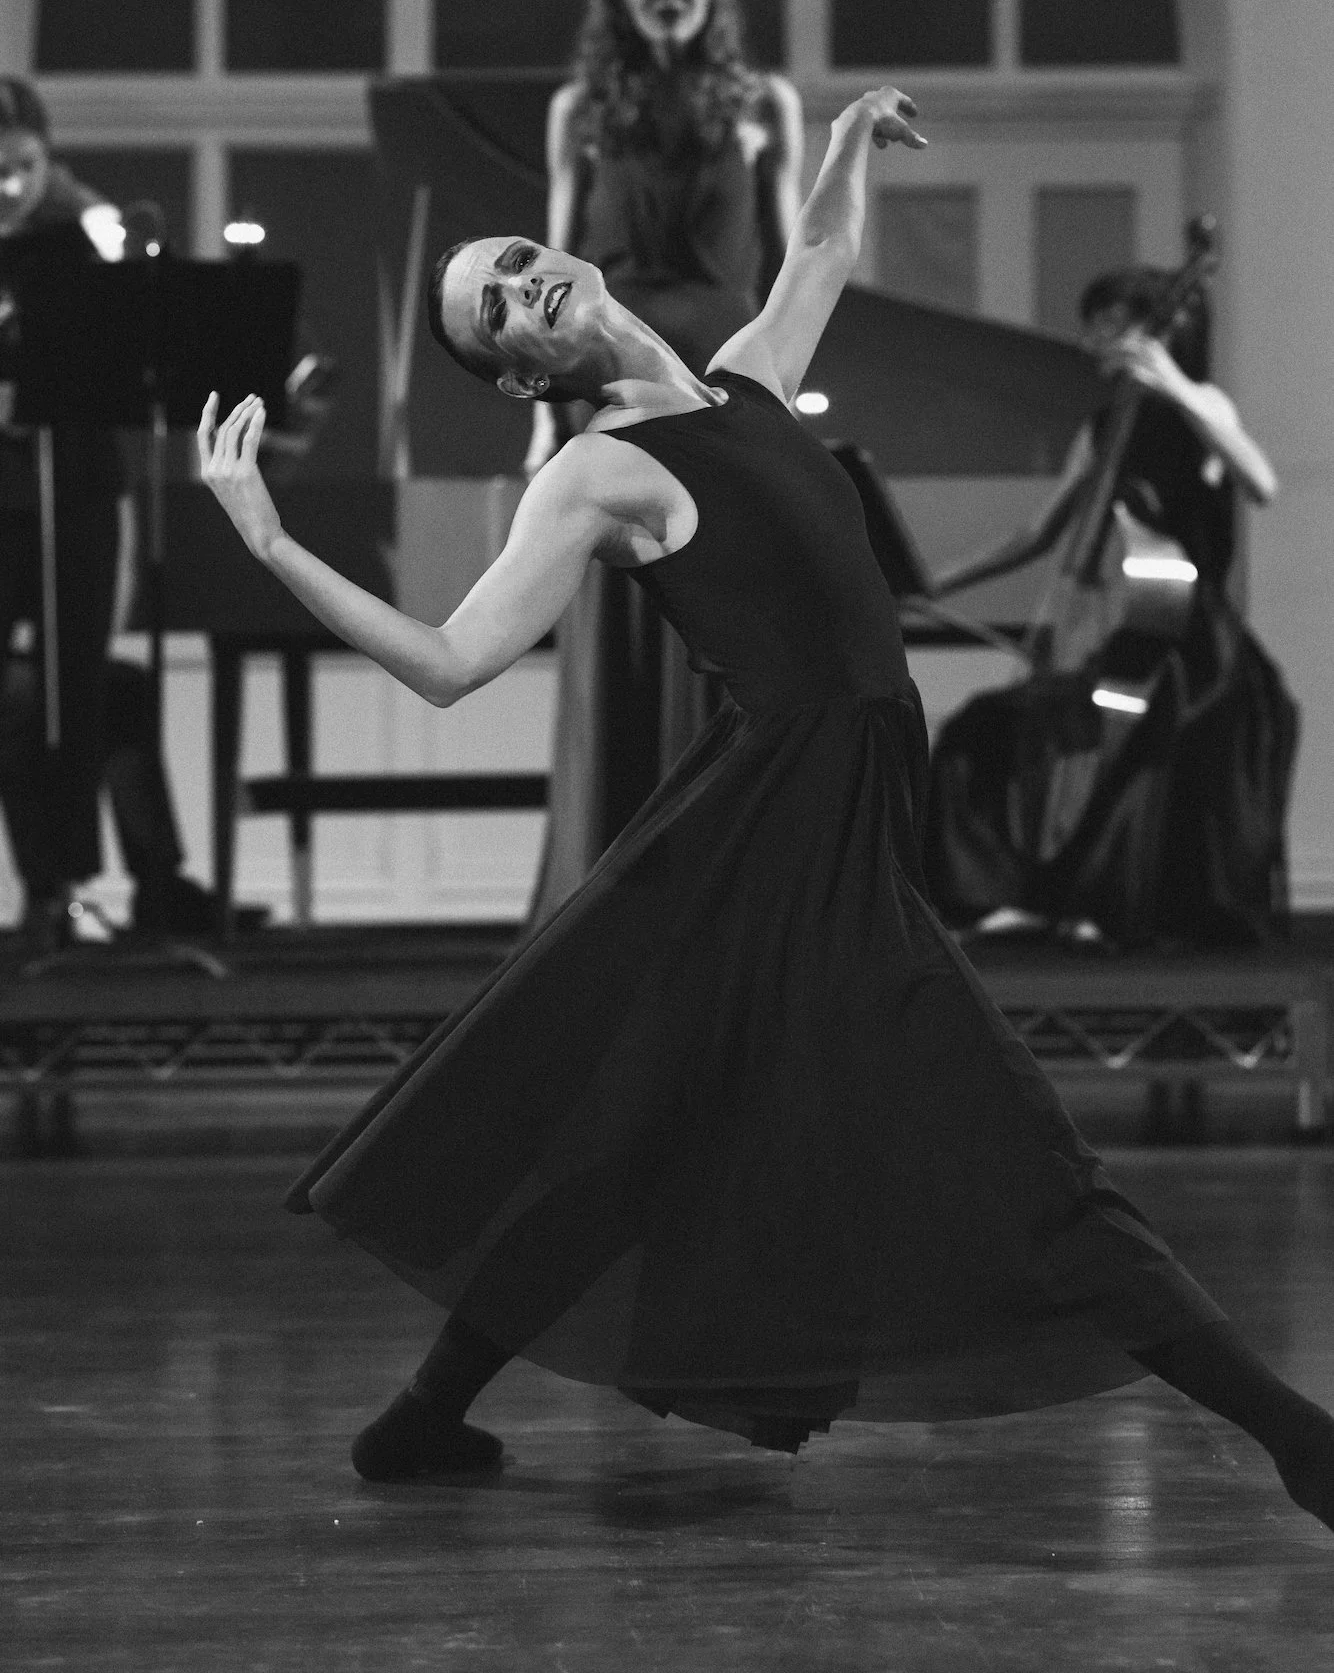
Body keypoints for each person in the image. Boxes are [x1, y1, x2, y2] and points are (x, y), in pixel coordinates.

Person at [199, 85, 1333, 1536]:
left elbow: (816, 256)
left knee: (637, 1135)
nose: (528, 281)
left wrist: (850, 137)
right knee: (1027, 1158)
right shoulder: (594, 472)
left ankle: (423, 1416)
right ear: (516, 375)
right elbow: (447, 663)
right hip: (782, 835)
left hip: (823, 820)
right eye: (500, 307)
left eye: (518, 259)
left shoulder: (737, 382)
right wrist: (273, 540)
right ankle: (1297, 1438)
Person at [523, 0, 804, 922]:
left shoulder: (765, 103)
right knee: (620, 634)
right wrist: (536, 421)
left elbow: (786, 261)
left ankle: (722, 870)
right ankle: (614, 878)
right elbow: (553, 264)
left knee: (722, 624)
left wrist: (784, 393)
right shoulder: (577, 112)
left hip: (716, 394)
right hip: (607, 395)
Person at [923, 267, 1297, 949]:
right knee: (983, 735)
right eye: (1093, 322)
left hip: (1189, 642)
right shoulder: (1103, 426)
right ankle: (1020, 897)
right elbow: (1039, 533)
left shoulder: (1203, 405)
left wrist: (1174, 387)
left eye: (1111, 322)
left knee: (1142, 749)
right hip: (1116, 630)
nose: (1092, 337)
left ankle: (1100, 907)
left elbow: (1260, 481)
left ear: (1163, 333)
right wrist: (935, 581)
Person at [0, 77, 247, 945]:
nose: (10, 187)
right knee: (19, 696)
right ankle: (45, 886)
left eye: (24, 167)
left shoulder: (81, 235)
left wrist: (103, 235)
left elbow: (144, 326)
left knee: (82, 686)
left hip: (77, 489)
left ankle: (86, 885)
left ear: (48, 157)